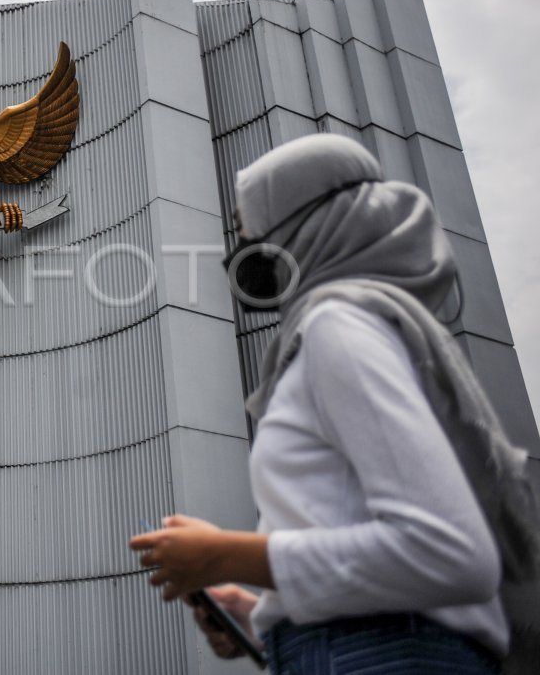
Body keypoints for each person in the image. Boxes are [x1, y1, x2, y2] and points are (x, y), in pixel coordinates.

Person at [129, 134, 540, 673]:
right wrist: (261, 616)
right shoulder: (373, 324)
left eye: (247, 223)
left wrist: (224, 554)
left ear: (306, 223)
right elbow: (388, 562)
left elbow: (450, 553)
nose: (241, 244)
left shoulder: (336, 324)